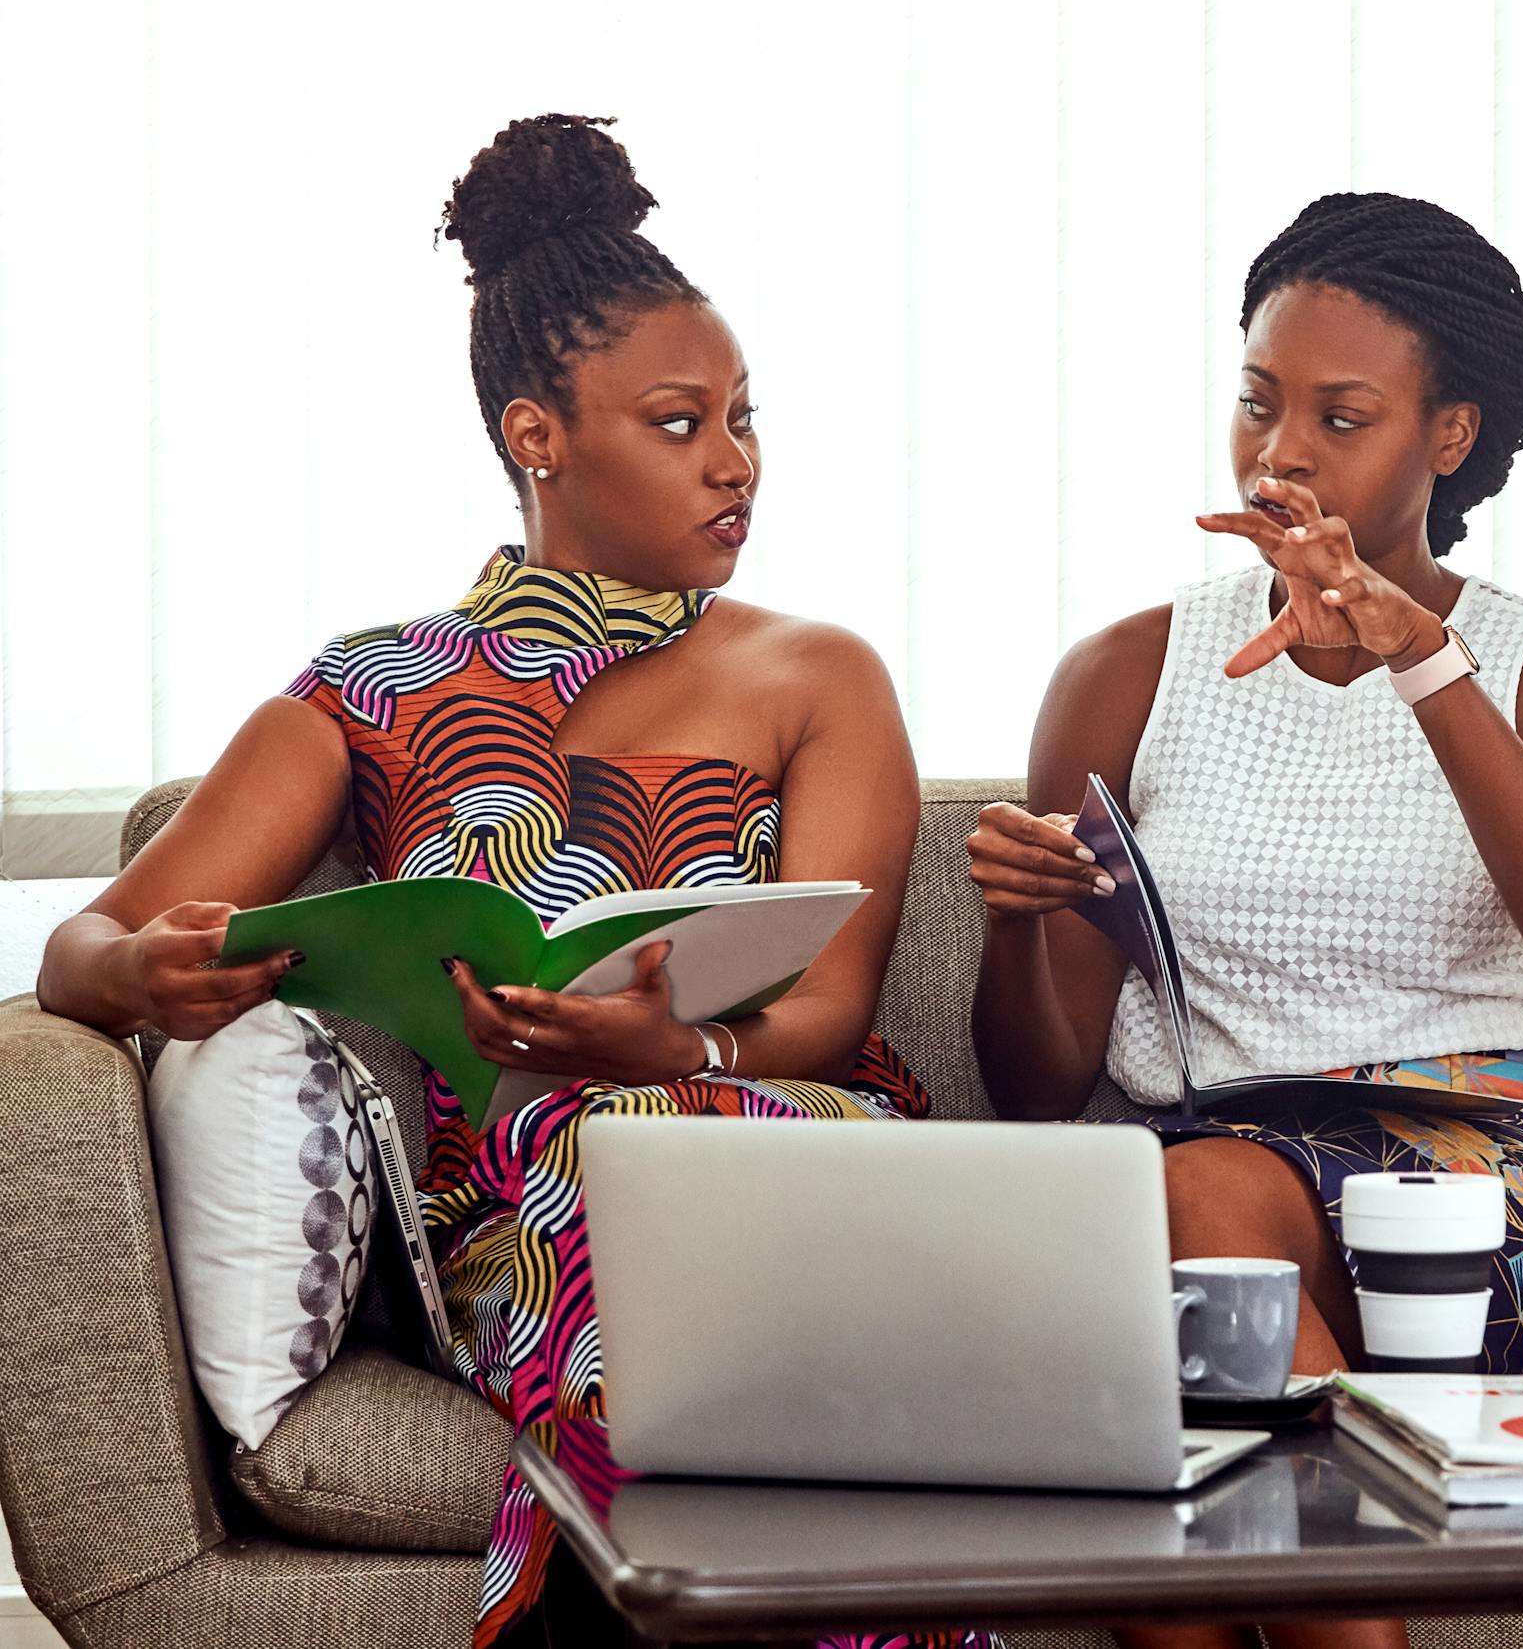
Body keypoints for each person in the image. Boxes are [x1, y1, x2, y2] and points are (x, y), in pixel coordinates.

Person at [36, 114, 973, 1649]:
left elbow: (834, 1009)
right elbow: (92, 940)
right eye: (681, 423)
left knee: (684, 1165)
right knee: (610, 1193)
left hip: (795, 1141)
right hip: (540, 1208)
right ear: (539, 433)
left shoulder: (819, 674)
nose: (735, 460)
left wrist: (686, 1052)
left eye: (747, 417)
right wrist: (130, 977)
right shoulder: (369, 689)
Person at [967, 192, 1523, 1649]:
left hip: (1496, 1191)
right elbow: (1037, 1083)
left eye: (1340, 415)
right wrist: (1022, 917)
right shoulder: (1125, 673)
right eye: (1256, 403)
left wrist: (1429, 663)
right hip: (1197, 1182)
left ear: (1449, 437)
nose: (1280, 452)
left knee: (1192, 1274)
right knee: (1187, 1268)